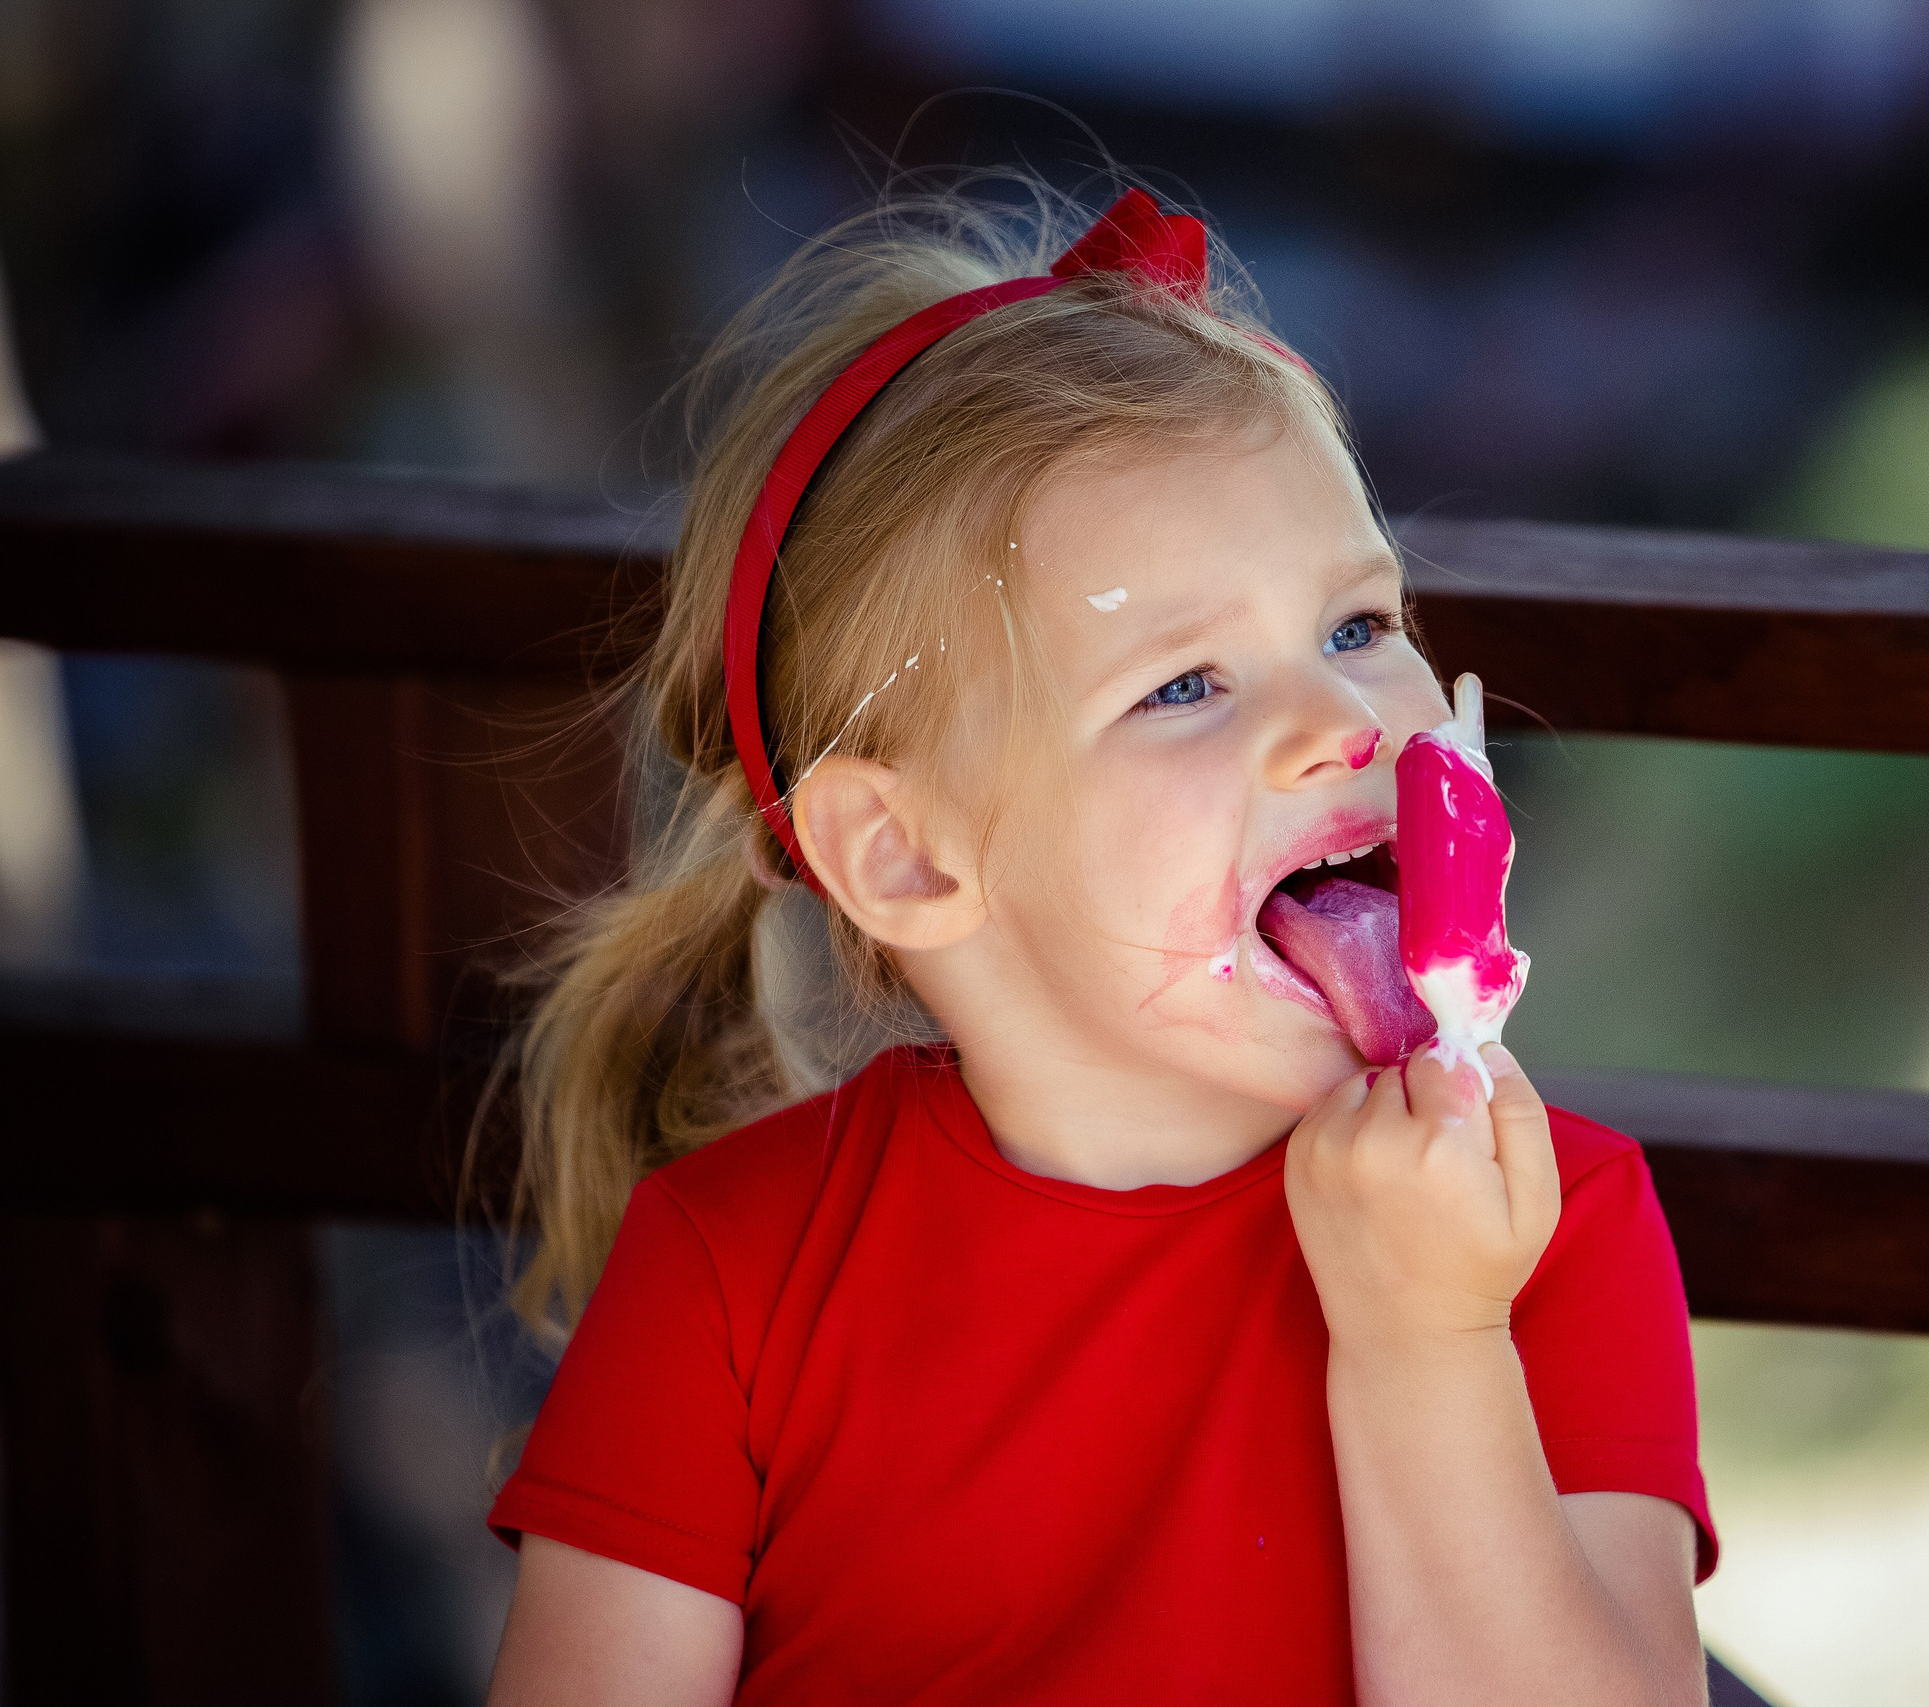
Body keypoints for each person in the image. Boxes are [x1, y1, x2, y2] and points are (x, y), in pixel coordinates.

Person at [481, 181, 1716, 1707]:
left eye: (1354, 627)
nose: (1343, 725)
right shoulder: (728, 1281)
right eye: (1185, 685)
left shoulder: (1543, 1224)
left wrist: (1429, 1340)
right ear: (910, 852)